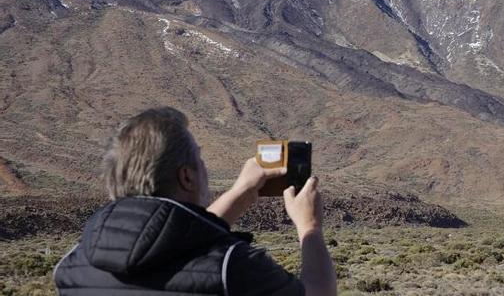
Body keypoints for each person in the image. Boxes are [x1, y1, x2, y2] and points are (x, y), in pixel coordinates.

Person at [53, 106, 337, 296]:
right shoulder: (230, 268)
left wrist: (242, 192)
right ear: (187, 177)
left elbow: (171, 239)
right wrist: (310, 228)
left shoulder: (74, 266)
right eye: (200, 159)